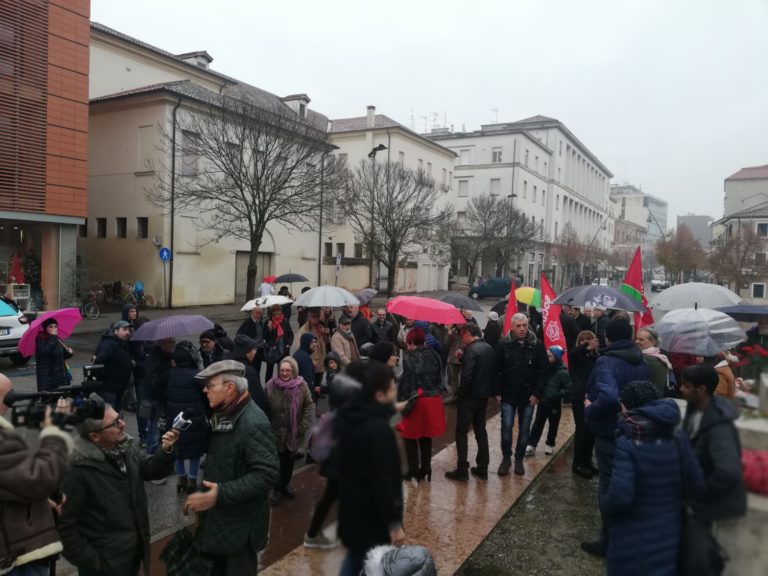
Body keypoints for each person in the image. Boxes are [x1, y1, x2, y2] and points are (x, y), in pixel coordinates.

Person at [59, 402, 179, 576]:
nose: (123, 424)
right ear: (95, 437)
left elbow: (150, 469)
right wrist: (94, 560)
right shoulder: (77, 469)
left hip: (131, 555)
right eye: (114, 423)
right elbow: (63, 526)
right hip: (102, 566)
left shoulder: (124, 446)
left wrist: (166, 451)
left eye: (119, 418)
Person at [600, 380, 704, 576]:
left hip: (632, 539)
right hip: (671, 533)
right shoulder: (677, 435)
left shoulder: (629, 441)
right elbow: (696, 482)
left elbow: (620, 496)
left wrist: (606, 506)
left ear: (628, 406)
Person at [186, 360, 279, 575]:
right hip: (221, 523)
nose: (205, 390)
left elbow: (267, 474)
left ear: (229, 388)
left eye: (210, 386)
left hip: (240, 531)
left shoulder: (253, 422)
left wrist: (220, 493)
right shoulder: (226, 412)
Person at [581, 319, 651, 558]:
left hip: (611, 430)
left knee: (609, 488)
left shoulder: (606, 361)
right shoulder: (641, 358)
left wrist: (590, 409)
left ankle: (609, 541)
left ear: (608, 338)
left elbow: (609, 397)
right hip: (636, 429)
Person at [0, 374, 73, 576]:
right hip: (17, 559)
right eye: (9, 396)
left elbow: (10, 483)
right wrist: (56, 432)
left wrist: (40, 502)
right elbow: (41, 480)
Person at [337, 361, 404, 576]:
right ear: (379, 395)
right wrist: (394, 523)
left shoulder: (350, 418)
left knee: (356, 558)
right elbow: (384, 479)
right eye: (392, 388)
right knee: (369, 563)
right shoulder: (378, 431)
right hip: (373, 517)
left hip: (351, 510)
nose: (395, 392)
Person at [680, 364, 747, 524]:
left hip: (713, 506)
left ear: (702, 389)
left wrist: (698, 492)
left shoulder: (719, 426)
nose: (681, 389)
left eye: (686, 386)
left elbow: (728, 472)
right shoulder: (694, 407)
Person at [303, 370, 361, 549]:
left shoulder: (335, 415)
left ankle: (317, 534)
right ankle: (325, 535)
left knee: (332, 498)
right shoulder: (346, 418)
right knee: (341, 498)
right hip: (341, 468)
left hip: (334, 467)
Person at [494, 313, 547, 477]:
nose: (522, 329)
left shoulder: (537, 345)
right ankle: (506, 458)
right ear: (512, 327)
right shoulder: (503, 344)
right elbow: (495, 369)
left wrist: (537, 393)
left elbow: (544, 371)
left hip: (528, 396)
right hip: (508, 394)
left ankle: (518, 459)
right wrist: (497, 391)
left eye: (524, 325)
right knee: (506, 427)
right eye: (518, 326)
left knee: (524, 429)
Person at [445, 324, 496, 482]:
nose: (462, 339)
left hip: (469, 398)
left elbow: (467, 377)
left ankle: (462, 469)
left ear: (468, 334)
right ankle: (482, 468)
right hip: (483, 398)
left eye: (463, 336)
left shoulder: (471, 350)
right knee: (481, 432)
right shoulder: (488, 348)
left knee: (461, 432)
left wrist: (460, 394)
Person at [397, 328, 446, 482]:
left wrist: (401, 404)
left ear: (412, 342)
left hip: (418, 400)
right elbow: (441, 377)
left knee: (409, 435)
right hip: (434, 400)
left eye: (408, 343)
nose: (407, 346)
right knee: (426, 435)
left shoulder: (411, 358)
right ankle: (426, 468)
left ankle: (412, 470)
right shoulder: (434, 354)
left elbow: (407, 384)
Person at [265, 357, 314, 505]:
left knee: (289, 462)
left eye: (288, 370)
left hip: (294, 433)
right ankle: (277, 489)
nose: (285, 373)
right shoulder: (270, 385)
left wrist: (302, 426)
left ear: (293, 371)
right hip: (275, 432)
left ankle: (285, 484)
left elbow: (309, 405)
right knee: (276, 462)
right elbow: (264, 407)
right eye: (282, 370)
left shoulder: (302, 386)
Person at [165, 341, 208, 496]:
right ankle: (192, 480)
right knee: (194, 451)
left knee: (178, 450)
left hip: (175, 418)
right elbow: (205, 395)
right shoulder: (196, 375)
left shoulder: (170, 373)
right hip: (193, 418)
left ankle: (181, 478)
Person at [526, 345, 571, 456]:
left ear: (556, 357)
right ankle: (532, 444)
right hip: (543, 402)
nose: (547, 358)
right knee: (538, 424)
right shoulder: (545, 368)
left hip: (554, 403)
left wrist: (558, 394)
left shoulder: (563, 373)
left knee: (553, 425)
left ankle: (550, 444)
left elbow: (568, 388)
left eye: (550, 356)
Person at [568, 330, 599, 478]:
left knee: (591, 430)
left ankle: (587, 461)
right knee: (581, 429)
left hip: (593, 397)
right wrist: (586, 346)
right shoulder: (576, 356)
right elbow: (573, 353)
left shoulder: (596, 358)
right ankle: (578, 463)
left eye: (589, 339)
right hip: (579, 397)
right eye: (583, 340)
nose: (586, 342)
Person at [143, 337, 175, 458]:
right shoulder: (153, 357)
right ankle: (151, 457)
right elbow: (154, 381)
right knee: (154, 430)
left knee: (162, 429)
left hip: (163, 398)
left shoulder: (168, 355)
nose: (173, 344)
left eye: (173, 341)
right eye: (170, 342)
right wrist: (169, 368)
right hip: (154, 399)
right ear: (162, 343)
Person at [93, 320, 133, 413]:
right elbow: (98, 362)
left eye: (129, 330)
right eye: (125, 329)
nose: (128, 332)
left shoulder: (122, 343)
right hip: (109, 388)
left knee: (116, 413)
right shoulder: (108, 344)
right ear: (115, 331)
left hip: (119, 386)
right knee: (111, 414)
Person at [228, 334, 270, 418]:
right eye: (253, 349)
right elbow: (260, 399)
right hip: (245, 416)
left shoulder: (226, 364)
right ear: (246, 351)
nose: (255, 352)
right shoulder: (248, 372)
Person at [35, 317, 73, 392]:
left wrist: (69, 353)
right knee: (50, 401)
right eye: (50, 327)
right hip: (49, 378)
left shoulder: (57, 339)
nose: (54, 328)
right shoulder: (41, 339)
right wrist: (52, 337)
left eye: (55, 326)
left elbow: (61, 355)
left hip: (61, 376)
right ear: (45, 328)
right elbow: (45, 353)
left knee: (62, 400)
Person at [635, 327, 675, 398]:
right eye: (636, 338)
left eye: (641, 339)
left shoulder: (647, 359)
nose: (637, 341)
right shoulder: (661, 357)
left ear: (653, 342)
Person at [297, 308, 328, 395]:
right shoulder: (304, 330)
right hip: (311, 364)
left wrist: (325, 334)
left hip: (320, 363)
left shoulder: (320, 327)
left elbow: (326, 343)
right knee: (310, 390)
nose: (315, 318)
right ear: (308, 317)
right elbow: (300, 348)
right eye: (313, 316)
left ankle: (315, 404)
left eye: (317, 316)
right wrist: (310, 361)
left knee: (317, 388)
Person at [264, 304, 294, 380]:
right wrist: (269, 329)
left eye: (278, 311)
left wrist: (288, 344)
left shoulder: (285, 321)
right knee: (269, 370)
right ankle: (268, 386)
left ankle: (282, 385)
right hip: (272, 349)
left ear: (281, 311)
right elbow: (265, 337)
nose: (277, 313)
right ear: (272, 313)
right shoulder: (268, 322)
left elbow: (290, 334)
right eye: (275, 311)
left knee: (283, 369)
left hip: (284, 349)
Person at [237, 307, 266, 375]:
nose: (258, 315)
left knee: (257, 371)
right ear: (252, 313)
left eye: (260, 314)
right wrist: (251, 343)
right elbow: (239, 336)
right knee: (251, 372)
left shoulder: (260, 323)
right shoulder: (247, 323)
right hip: (251, 352)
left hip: (259, 351)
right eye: (257, 313)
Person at [294, 333, 319, 403]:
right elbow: (307, 379)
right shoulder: (305, 358)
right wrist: (312, 396)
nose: (315, 344)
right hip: (303, 395)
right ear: (306, 343)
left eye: (315, 342)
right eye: (312, 342)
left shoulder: (298, 354)